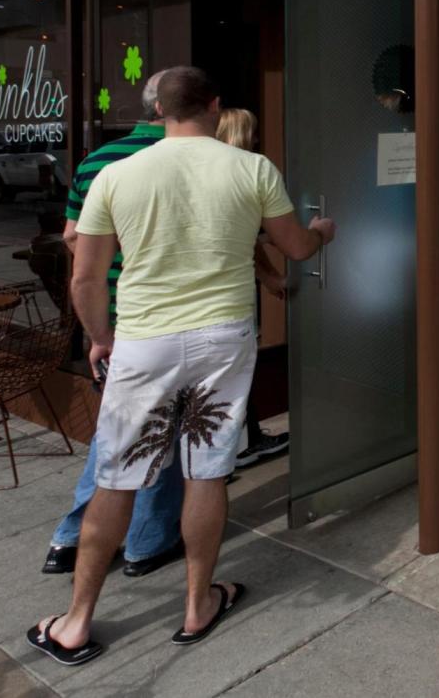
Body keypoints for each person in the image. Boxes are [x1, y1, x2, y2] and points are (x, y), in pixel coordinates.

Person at [28, 66, 335, 665]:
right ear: (214, 106)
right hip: (224, 335)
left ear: (158, 111)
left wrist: (100, 337)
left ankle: (75, 623)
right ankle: (198, 605)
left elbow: (85, 277)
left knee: (117, 476)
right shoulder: (252, 168)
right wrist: (321, 231)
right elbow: (296, 247)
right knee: (207, 470)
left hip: (144, 340)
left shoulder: (117, 174)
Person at [42, 73, 185, 578]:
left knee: (120, 429)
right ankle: (148, 541)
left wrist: (101, 319)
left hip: (117, 311)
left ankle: (71, 539)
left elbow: (71, 237)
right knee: (157, 430)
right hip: (165, 313)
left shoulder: (96, 162)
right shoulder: (185, 158)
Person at [215, 107, 289, 466]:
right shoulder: (250, 170)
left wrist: (270, 273)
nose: (258, 139)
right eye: (253, 132)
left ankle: (243, 441)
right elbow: (285, 242)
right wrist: (315, 236)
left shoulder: (206, 173)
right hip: (230, 300)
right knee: (233, 374)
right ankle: (239, 447)